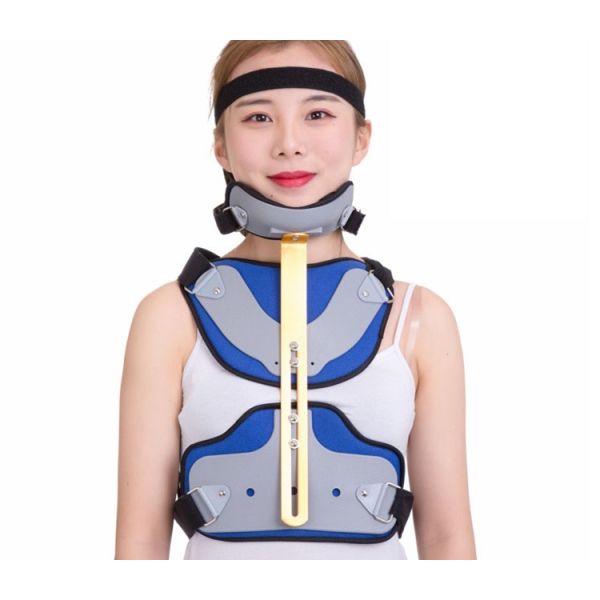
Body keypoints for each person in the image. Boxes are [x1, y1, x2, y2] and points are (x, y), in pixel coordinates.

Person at [114, 40, 477, 560]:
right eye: (258, 117)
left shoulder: (418, 317)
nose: (289, 144)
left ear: (361, 138)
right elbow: (139, 545)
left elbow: (448, 540)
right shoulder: (170, 315)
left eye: (318, 114)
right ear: (221, 145)